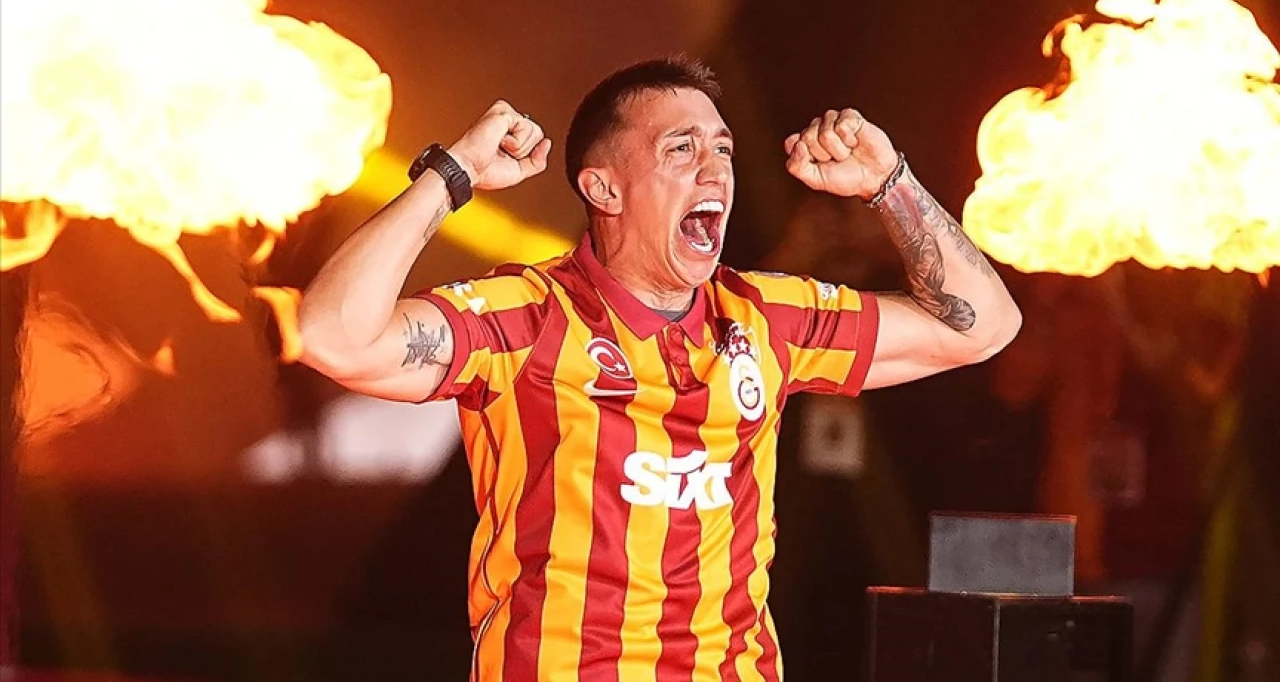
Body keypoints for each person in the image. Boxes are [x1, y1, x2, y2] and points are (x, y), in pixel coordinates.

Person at [296, 57, 1021, 681]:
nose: (715, 169)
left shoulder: (763, 318)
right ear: (604, 189)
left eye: (723, 149)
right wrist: (451, 176)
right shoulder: (528, 318)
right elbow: (333, 337)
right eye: (681, 148)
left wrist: (889, 181)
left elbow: (984, 326)